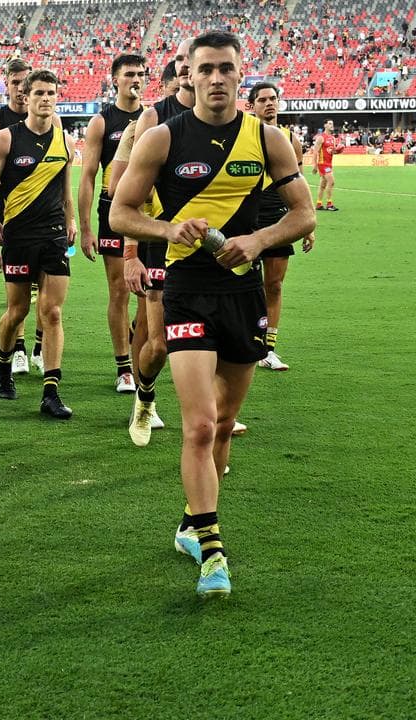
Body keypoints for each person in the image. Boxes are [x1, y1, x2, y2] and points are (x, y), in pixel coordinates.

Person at [111, 32, 315, 597]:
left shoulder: (267, 138)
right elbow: (121, 211)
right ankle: (213, 551)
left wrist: (257, 241)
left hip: (242, 292)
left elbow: (303, 215)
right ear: (190, 76)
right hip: (185, 291)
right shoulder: (161, 138)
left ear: (239, 74)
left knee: (224, 424)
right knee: (199, 424)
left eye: (227, 68)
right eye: (207, 69)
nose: (218, 78)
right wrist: (166, 229)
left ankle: (189, 522)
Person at [108, 43, 196, 445]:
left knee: (214, 337)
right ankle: (145, 399)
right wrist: (130, 253)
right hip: (159, 240)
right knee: (156, 343)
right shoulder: (153, 118)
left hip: (210, 246)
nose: (186, 69)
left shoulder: (237, 124)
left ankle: (211, 414)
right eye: (180, 63)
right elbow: (120, 189)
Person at [0, 69, 76, 419]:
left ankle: (51, 390)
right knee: (17, 311)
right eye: (39, 93)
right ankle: (3, 365)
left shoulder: (64, 140)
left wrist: (72, 221)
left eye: (51, 92)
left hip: (52, 236)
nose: (45, 98)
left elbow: (66, 190)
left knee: (51, 312)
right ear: (27, 96)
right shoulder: (7, 138)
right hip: (18, 238)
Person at [77, 53, 146, 393]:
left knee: (151, 291)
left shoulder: (154, 119)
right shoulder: (102, 122)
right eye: (130, 74)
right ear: (115, 79)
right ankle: (124, 368)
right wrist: (86, 227)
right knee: (119, 289)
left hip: (150, 214)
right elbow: (88, 176)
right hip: (114, 213)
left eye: (141, 74)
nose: (136, 79)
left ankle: (137, 340)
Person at [248, 81, 316, 371]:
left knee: (273, 285)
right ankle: (244, 341)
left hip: (279, 218)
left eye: (273, 98)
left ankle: (268, 348)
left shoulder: (290, 138)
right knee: (244, 287)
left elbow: (298, 184)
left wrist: (307, 223)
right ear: (252, 105)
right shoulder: (244, 135)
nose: (269, 103)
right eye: (262, 99)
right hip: (247, 218)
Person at [310, 119, 339, 210]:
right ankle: (329, 204)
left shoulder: (333, 138)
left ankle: (319, 204)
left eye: (332, 124)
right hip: (323, 164)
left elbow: (331, 151)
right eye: (330, 123)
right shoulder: (321, 137)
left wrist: (336, 151)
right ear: (325, 125)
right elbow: (315, 152)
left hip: (329, 164)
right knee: (331, 181)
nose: (331, 125)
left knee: (323, 184)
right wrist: (314, 165)